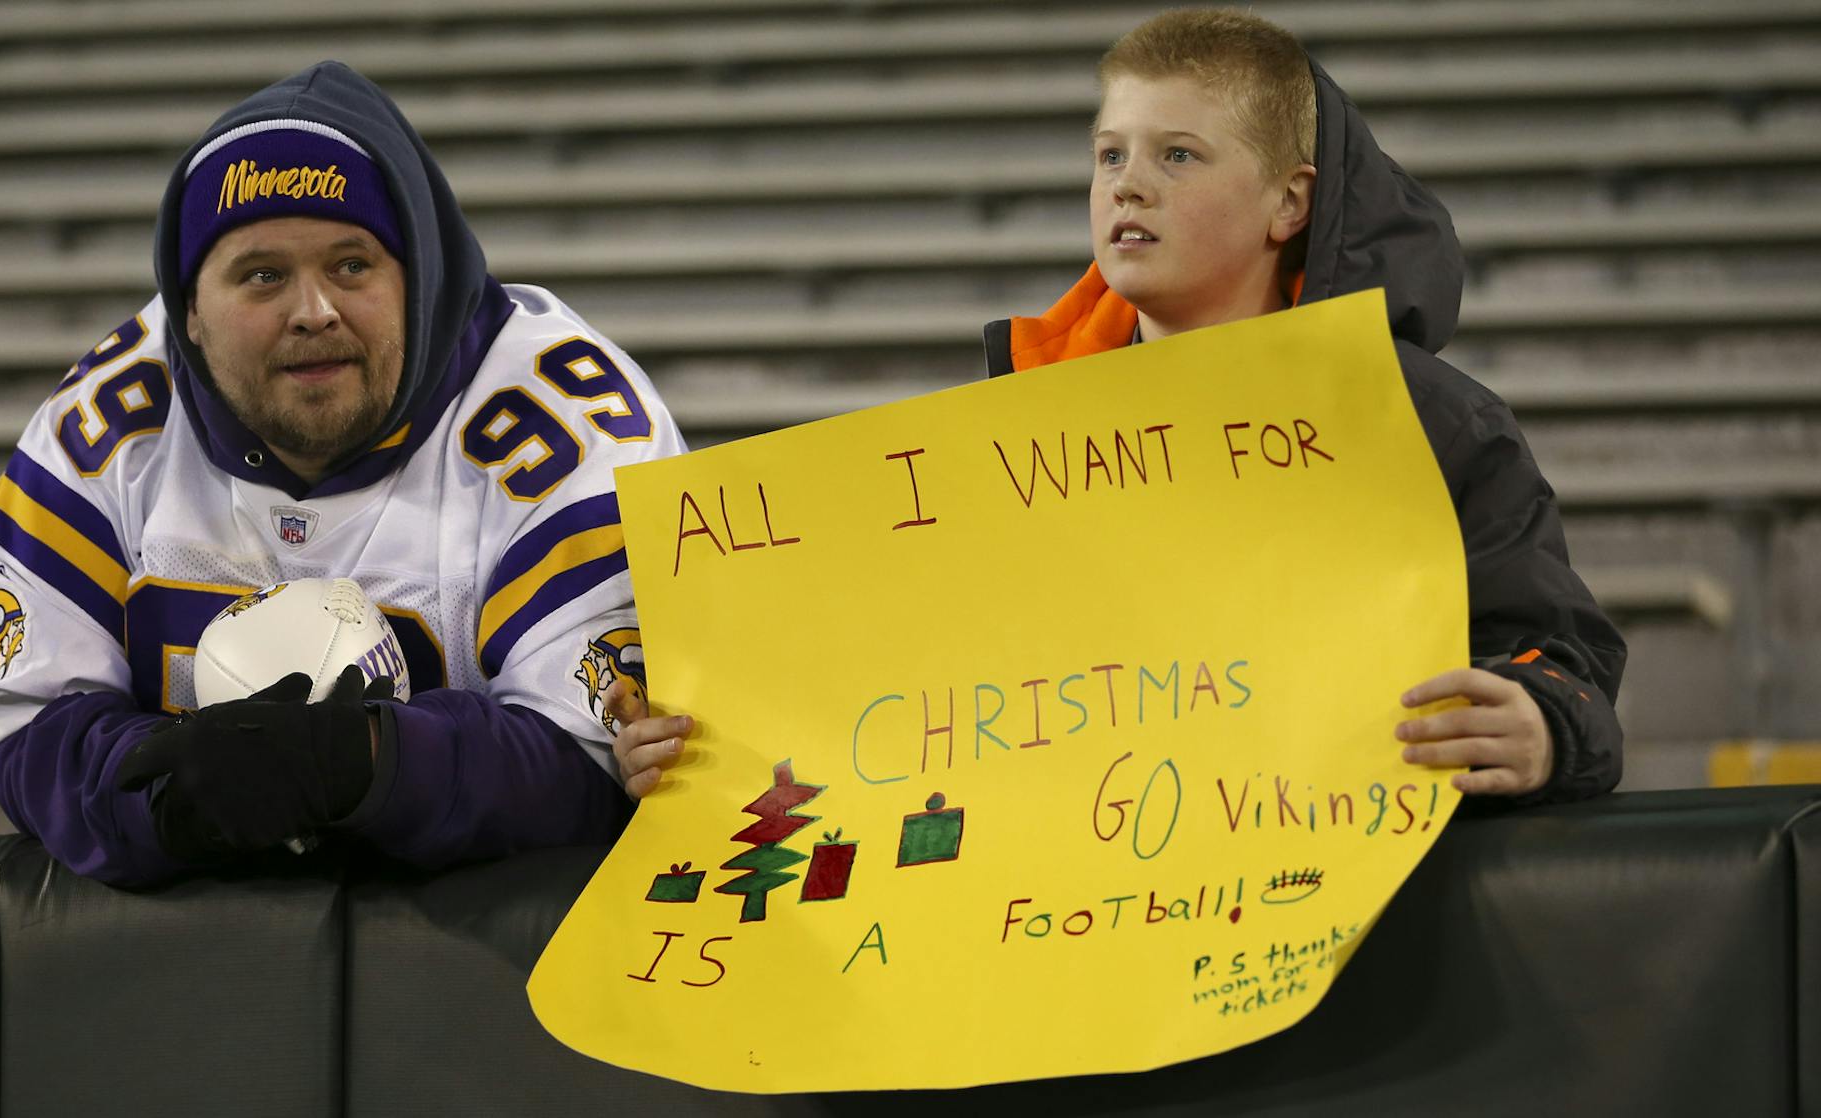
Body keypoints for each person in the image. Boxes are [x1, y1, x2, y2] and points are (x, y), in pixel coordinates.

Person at [615, 9, 1625, 805]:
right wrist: (706, 738)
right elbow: (902, 688)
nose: (1128, 186)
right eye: (1110, 155)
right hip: (1065, 952)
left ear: (1291, 202)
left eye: (1176, 156)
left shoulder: (1433, 425)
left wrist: (1543, 722)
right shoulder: (1000, 442)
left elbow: (1556, 653)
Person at [0, 62, 685, 886]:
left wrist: (367, 763)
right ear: (189, 308)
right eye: (262, 275)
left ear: (420, 281)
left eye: (352, 265)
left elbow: (593, 760)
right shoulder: (107, 426)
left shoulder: (569, 426)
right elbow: (25, 721)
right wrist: (172, 795)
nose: (314, 310)